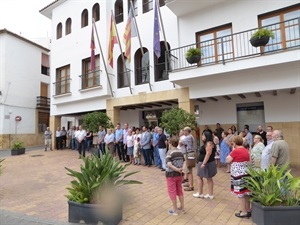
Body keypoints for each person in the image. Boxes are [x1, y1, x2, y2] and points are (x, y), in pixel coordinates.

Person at [226, 135, 251, 218]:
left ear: (235, 143)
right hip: (246, 173)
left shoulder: (235, 151)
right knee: (246, 192)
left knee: (240, 194)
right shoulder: (246, 150)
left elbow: (228, 160)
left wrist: (232, 151)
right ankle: (248, 209)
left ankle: (243, 212)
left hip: (238, 175)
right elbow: (249, 161)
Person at [193, 131, 217, 199]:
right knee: (208, 178)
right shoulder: (209, 143)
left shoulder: (209, 143)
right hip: (207, 162)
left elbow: (208, 154)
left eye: (203, 135)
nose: (202, 137)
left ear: (206, 136)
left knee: (200, 177)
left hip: (206, 163)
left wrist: (204, 163)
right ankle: (210, 194)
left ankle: (201, 193)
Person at [165, 137, 185, 216]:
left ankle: (175, 210)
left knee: (172, 191)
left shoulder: (169, 152)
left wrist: (176, 169)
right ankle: (182, 208)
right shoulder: (180, 152)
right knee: (179, 190)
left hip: (171, 175)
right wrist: (181, 169)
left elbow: (169, 164)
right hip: (179, 175)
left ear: (170, 144)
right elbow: (184, 161)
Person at [180, 127, 195, 192]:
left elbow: (180, 143)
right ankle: (189, 184)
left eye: (184, 131)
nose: (183, 132)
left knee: (189, 171)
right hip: (189, 154)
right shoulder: (190, 136)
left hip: (189, 154)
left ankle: (191, 186)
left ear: (187, 131)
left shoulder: (188, 137)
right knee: (188, 170)